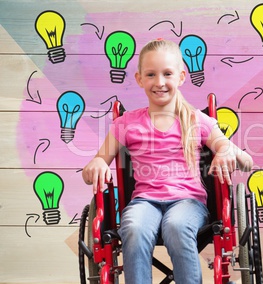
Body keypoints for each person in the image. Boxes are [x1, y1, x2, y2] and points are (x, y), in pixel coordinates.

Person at [82, 38, 253, 284]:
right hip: (145, 202)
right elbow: (93, 166)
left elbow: (247, 162)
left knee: (175, 225)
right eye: (151, 74)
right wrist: (97, 162)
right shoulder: (127, 123)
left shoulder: (196, 120)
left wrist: (226, 149)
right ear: (140, 79)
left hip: (188, 202)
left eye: (167, 74)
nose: (159, 82)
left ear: (181, 77)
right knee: (133, 227)